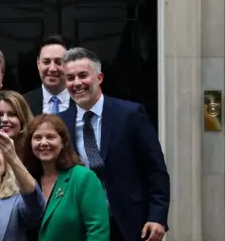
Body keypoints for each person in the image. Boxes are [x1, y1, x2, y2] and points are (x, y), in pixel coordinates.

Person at [57, 47, 170, 241]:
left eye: (83, 75)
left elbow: (155, 170)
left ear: (99, 78)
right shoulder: (60, 123)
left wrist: (157, 217)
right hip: (80, 223)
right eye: (70, 78)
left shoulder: (130, 115)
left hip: (128, 222)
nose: (77, 83)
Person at [24, 114, 109, 241]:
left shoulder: (83, 177)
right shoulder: (27, 182)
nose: (43, 143)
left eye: (50, 137)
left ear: (63, 142)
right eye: (37, 138)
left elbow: (98, 231)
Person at [23, 35, 73, 116]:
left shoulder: (82, 102)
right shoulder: (24, 103)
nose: (52, 68)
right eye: (46, 62)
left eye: (58, 62)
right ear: (38, 63)